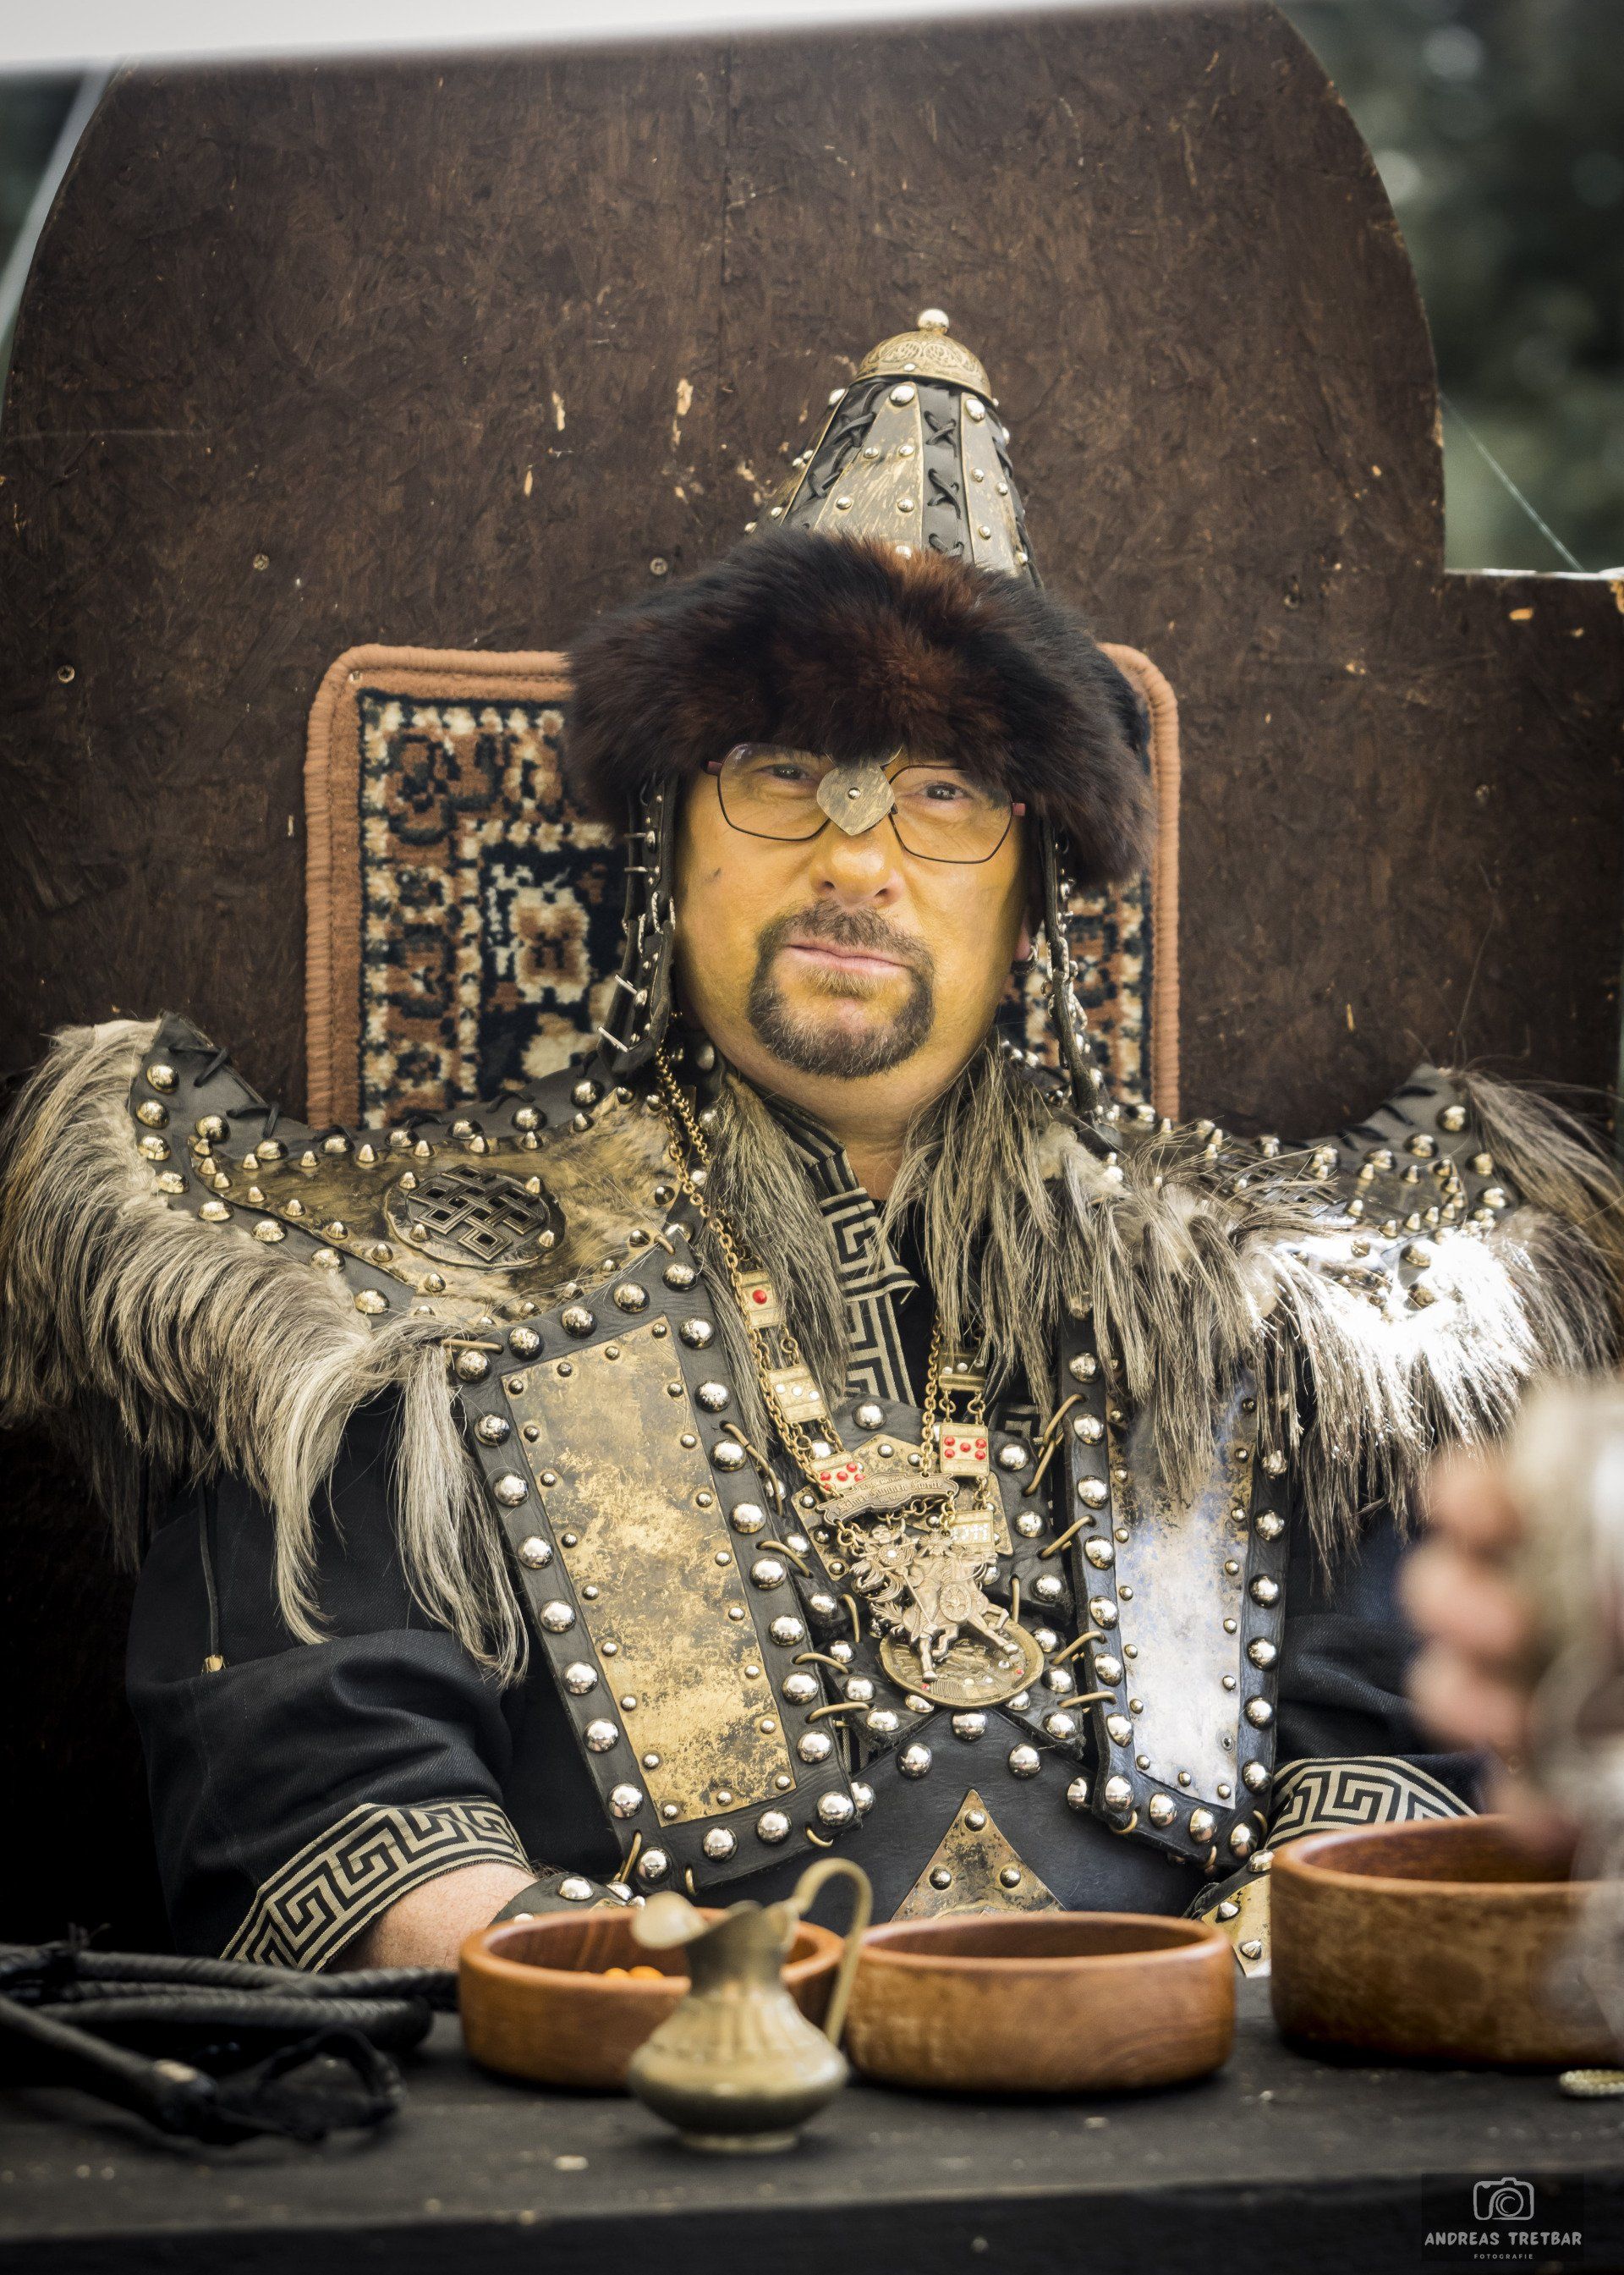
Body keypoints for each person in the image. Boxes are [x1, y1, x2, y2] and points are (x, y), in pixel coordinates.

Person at [3, 312, 1620, 1981]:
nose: (857, 855)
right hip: (632, 2109)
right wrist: (742, 2021)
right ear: (669, 847)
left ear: (1032, 903)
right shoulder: (384, 1303)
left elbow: (1405, 1770)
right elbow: (325, 1809)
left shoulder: (1290, 1321)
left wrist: (1184, 2013)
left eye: (946, 792)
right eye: (784, 771)